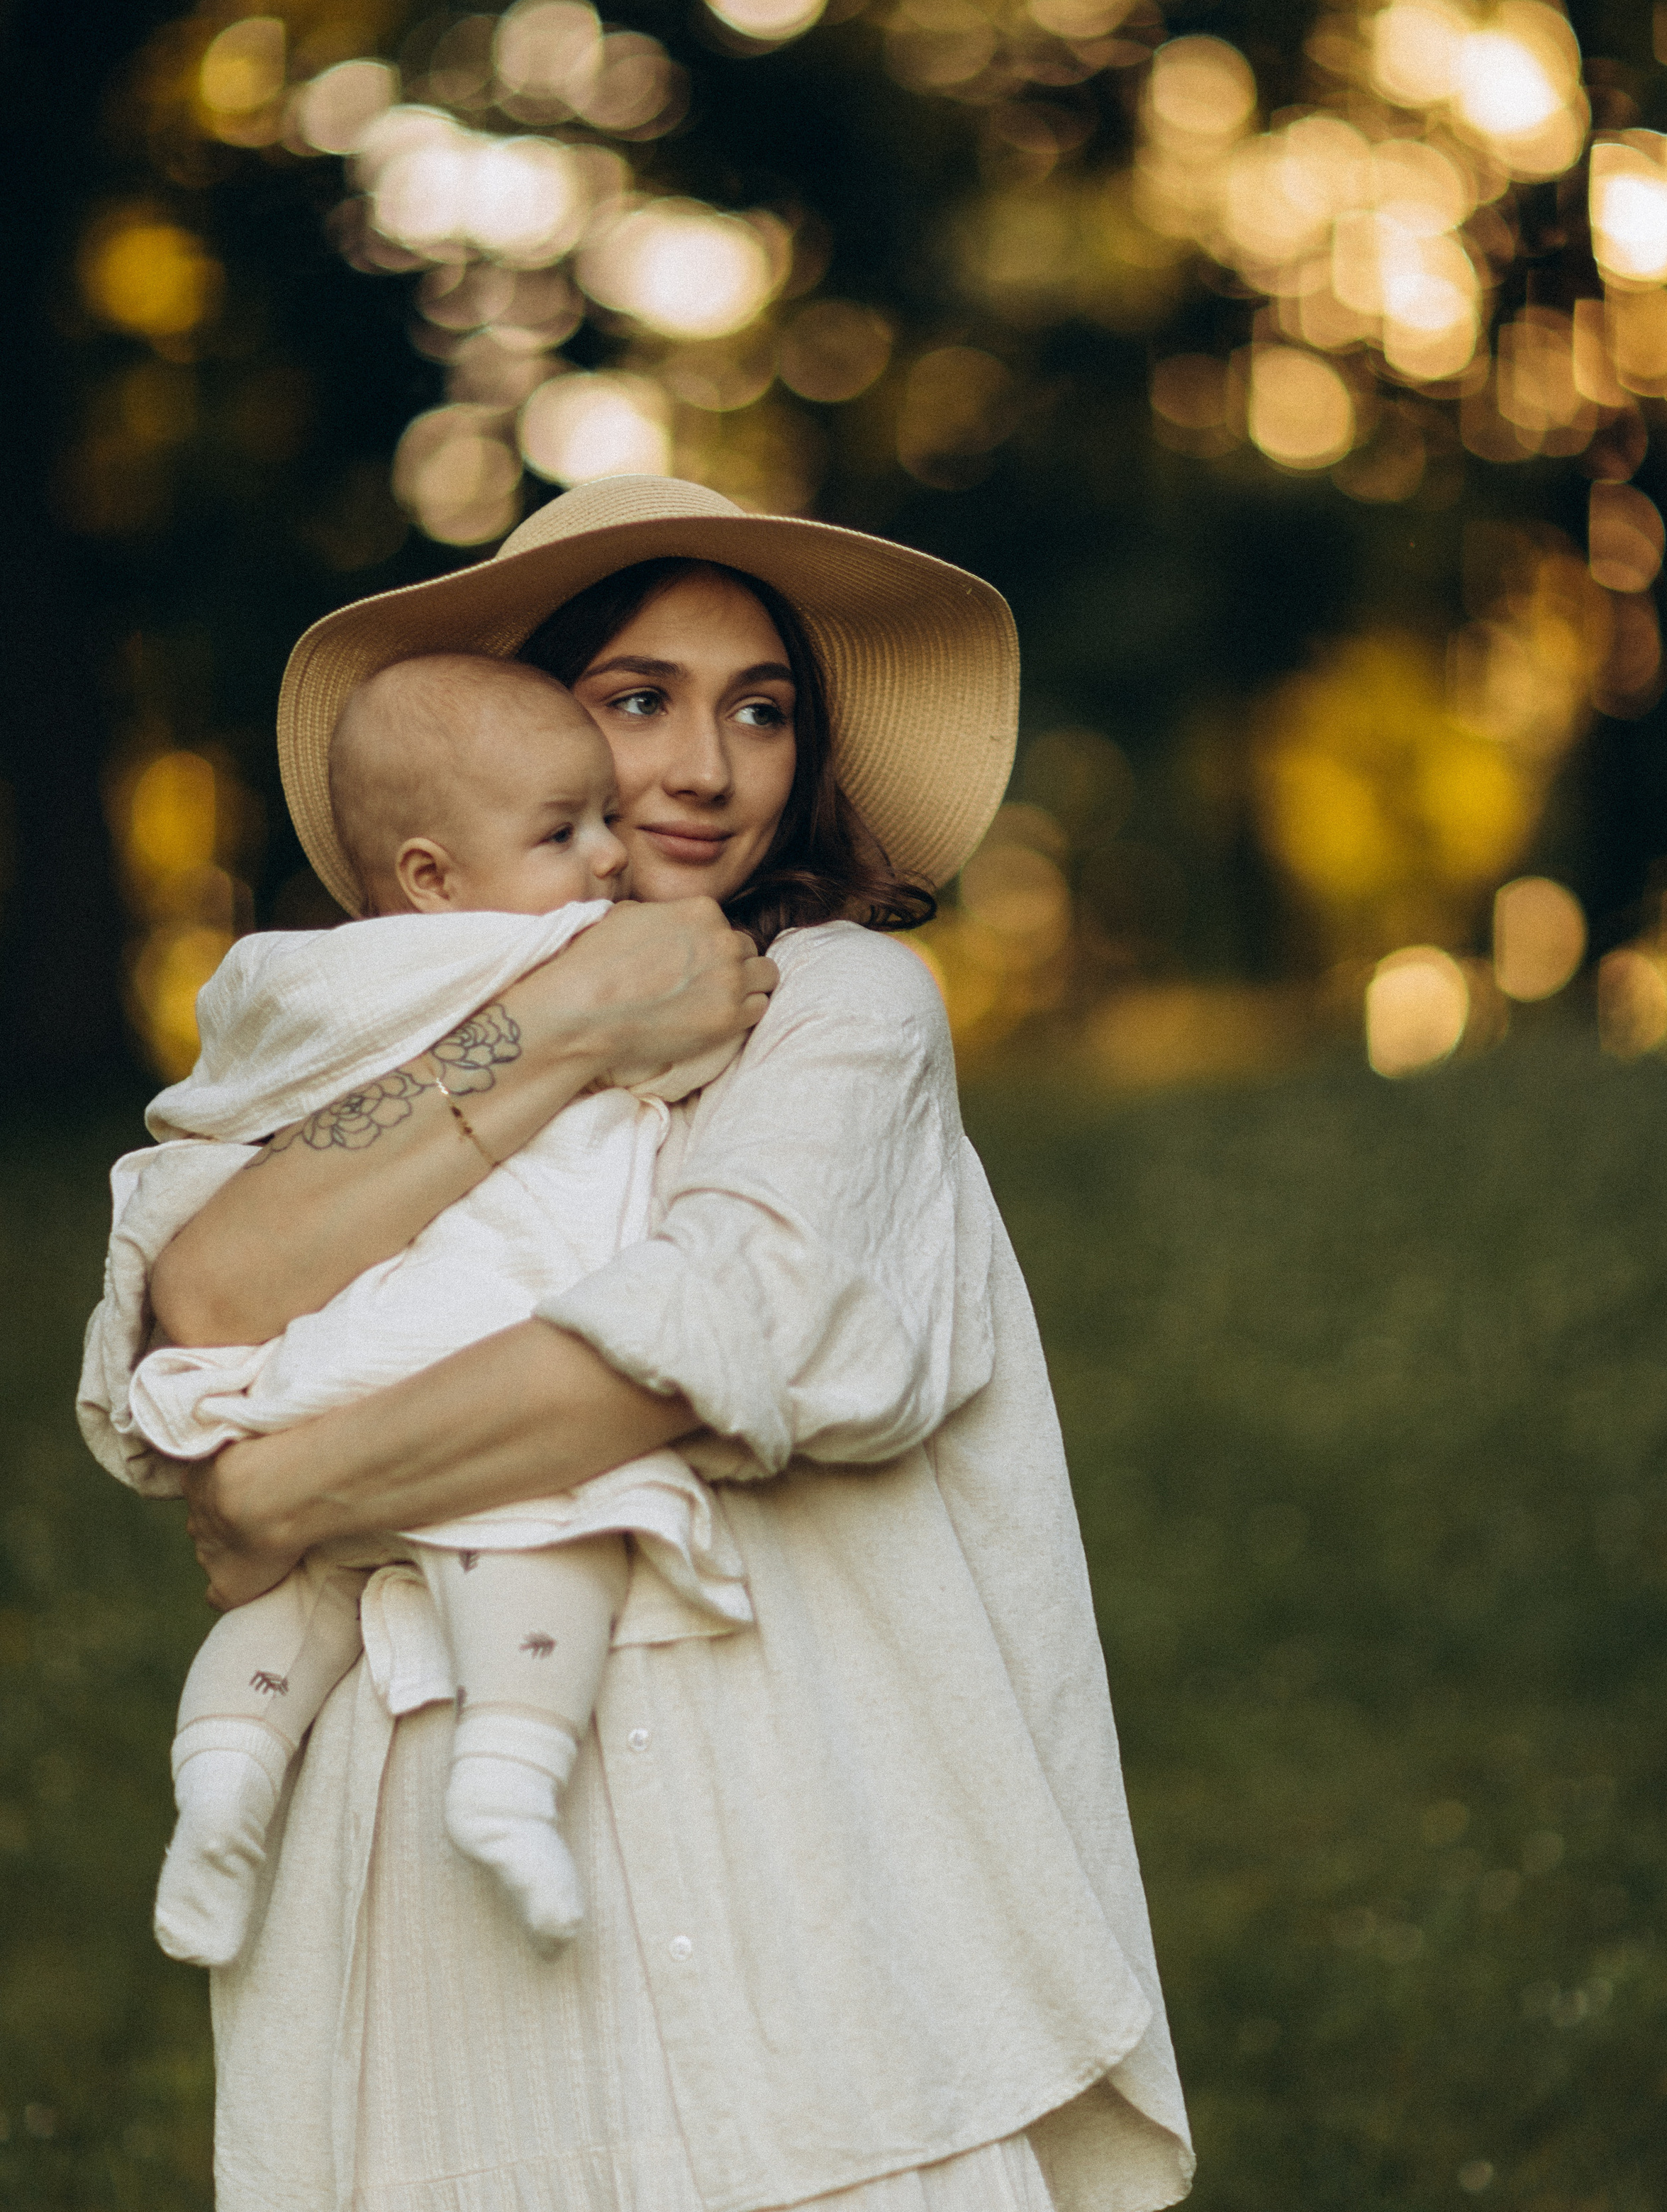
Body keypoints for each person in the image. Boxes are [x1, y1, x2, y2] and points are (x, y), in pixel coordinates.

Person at [82, 475, 1193, 2212]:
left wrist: (286, 1489)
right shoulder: (340, 1031)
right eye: (636, 699)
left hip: (793, 1874)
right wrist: (569, 1011)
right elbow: (208, 1298)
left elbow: (698, 1336)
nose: (704, 768)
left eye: (760, 710)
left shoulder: (839, 1009)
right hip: (434, 1859)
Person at [124, 655, 752, 1970]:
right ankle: (510, 1774)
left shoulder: (349, 963)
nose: (606, 858)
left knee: (293, 1614)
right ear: (430, 878)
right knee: (551, 1534)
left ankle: (222, 1792)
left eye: (760, 710)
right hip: (448, 1341)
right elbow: (211, 1244)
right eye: (638, 704)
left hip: (319, 1382)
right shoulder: (582, 955)